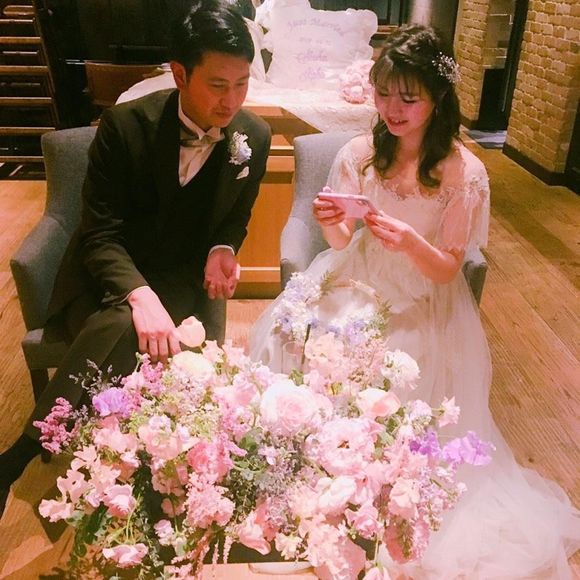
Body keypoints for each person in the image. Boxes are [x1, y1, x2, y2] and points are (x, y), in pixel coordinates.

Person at [250, 25, 579, 578]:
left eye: (408, 98)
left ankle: (379, 489)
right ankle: (319, 475)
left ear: (438, 97)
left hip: (421, 293)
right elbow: (340, 242)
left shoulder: (464, 172)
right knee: (298, 337)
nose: (392, 109)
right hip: (354, 278)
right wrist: (332, 222)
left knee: (392, 364)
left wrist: (408, 241)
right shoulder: (359, 153)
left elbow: (448, 268)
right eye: (383, 94)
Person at [0, 0, 271, 517]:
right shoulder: (124, 125)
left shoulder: (252, 138)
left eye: (242, 84)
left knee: (131, 332)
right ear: (179, 74)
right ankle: (105, 470)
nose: (231, 101)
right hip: (107, 272)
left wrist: (223, 249)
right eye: (218, 84)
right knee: (126, 325)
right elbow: (98, 233)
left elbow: (237, 216)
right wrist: (138, 294)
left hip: (182, 278)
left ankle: (50, 459)